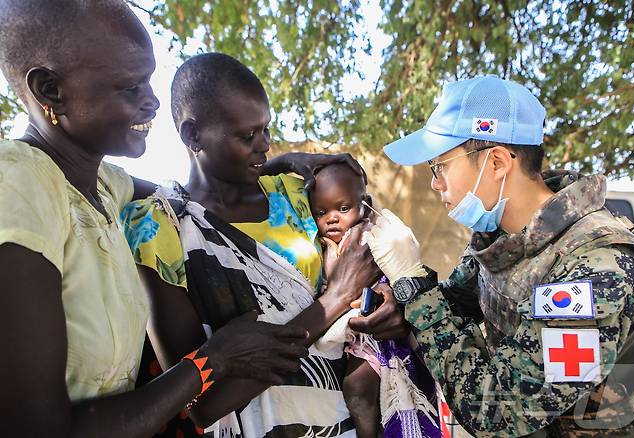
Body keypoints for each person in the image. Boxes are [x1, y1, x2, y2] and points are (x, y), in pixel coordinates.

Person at [0, 2, 312, 437]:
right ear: (51, 90)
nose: (151, 102)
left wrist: (283, 166)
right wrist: (211, 361)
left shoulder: (103, 184)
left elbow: (187, 196)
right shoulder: (17, 189)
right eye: (130, 87)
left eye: (148, 80)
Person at [363, 75, 634, 437]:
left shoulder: (594, 273)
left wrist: (413, 281)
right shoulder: (504, 238)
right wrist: (399, 293)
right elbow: (453, 305)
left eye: (440, 166)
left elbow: (499, 409)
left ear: (497, 163)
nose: (435, 183)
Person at [122, 52, 389, 437]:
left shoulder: (297, 197)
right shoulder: (158, 230)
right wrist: (333, 300)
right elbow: (203, 403)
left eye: (265, 130)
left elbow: (373, 258)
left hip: (341, 420)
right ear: (192, 135)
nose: (264, 146)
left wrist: (386, 301)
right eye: (247, 136)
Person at [310, 163, 442, 438]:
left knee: (358, 387)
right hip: (349, 332)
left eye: (343, 208)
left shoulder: (370, 236)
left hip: (378, 330)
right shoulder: (319, 243)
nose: (332, 218)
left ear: (365, 204)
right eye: (321, 212)